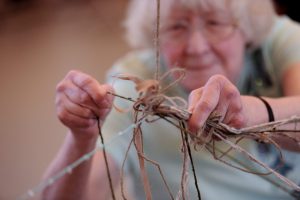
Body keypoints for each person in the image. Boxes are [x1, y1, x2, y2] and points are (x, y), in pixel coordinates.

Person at [42, 0, 300, 199]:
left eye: (215, 23)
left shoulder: (279, 42)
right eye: (177, 27)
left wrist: (252, 113)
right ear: (154, 34)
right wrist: (81, 138)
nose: (197, 47)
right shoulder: (137, 86)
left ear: (247, 28)